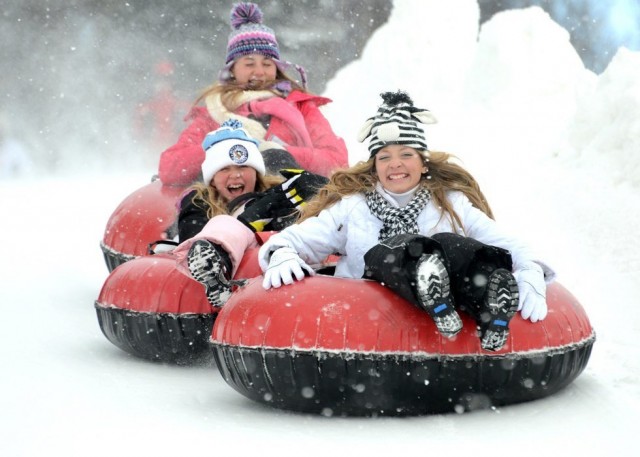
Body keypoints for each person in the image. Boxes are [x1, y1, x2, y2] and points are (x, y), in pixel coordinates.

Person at [258, 91, 555, 352]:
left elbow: (507, 241)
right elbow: (298, 239)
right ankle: (427, 275)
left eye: (406, 154)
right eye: (384, 157)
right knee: (401, 250)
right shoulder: (353, 207)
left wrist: (529, 270)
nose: (395, 164)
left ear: (422, 162)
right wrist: (282, 253)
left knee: (453, 245)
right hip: (368, 314)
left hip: (441, 317)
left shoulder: (450, 202)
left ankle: (487, 299)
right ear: (374, 166)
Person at [158, 2, 348, 186]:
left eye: (267, 64)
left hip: (289, 206)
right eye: (249, 64)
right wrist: (222, 148)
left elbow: (337, 161)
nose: (259, 72)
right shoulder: (214, 112)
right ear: (232, 69)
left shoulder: (301, 107)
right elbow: (169, 166)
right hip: (227, 208)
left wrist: (279, 152)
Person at [172, 119, 327, 307]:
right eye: (224, 169)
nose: (236, 175)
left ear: (256, 172)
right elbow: (192, 241)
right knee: (223, 223)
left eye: (243, 167)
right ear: (212, 178)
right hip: (239, 270)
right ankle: (218, 268)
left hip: (284, 269)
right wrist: (252, 214)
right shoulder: (198, 203)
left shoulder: (278, 193)